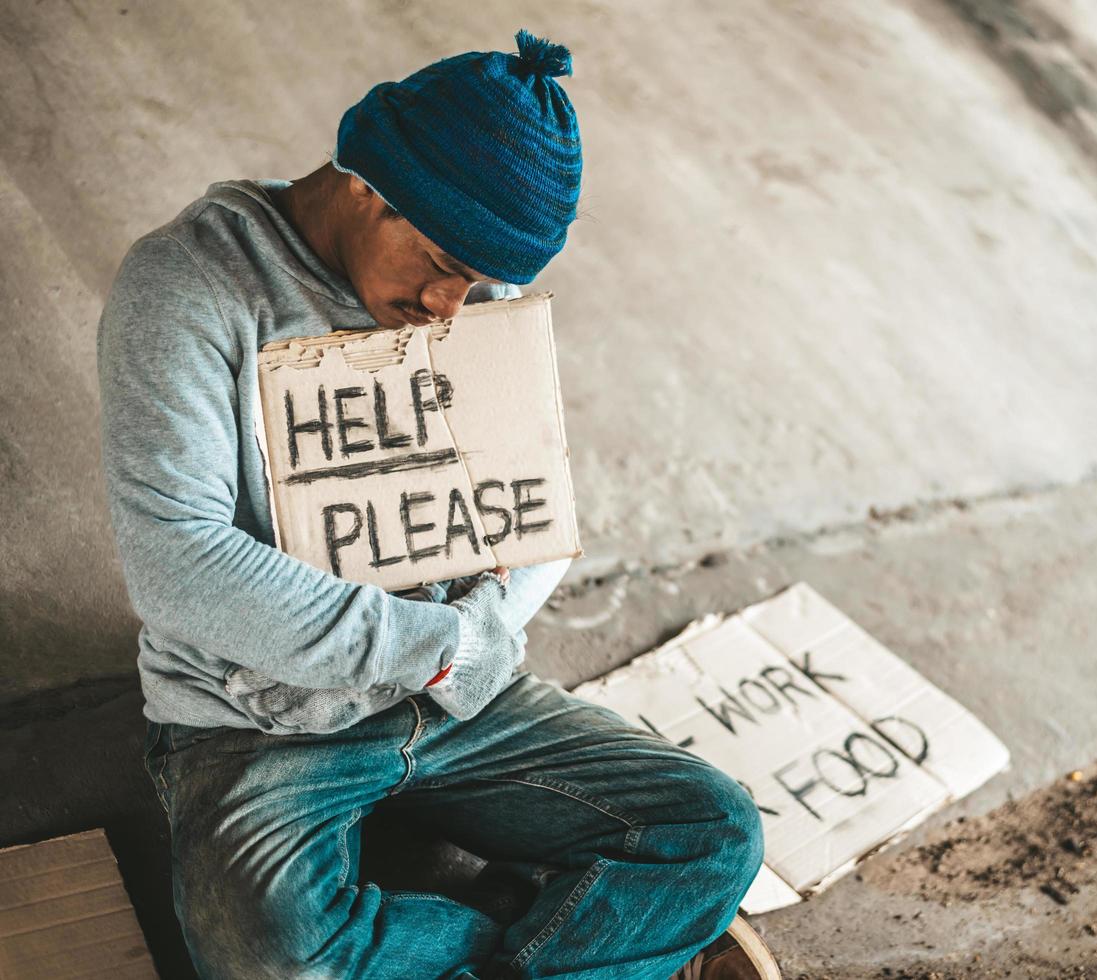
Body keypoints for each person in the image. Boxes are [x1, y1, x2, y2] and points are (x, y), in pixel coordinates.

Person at [97, 30, 779, 980]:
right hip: (258, 721)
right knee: (274, 961)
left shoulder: (476, 290)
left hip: (460, 700)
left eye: (481, 279)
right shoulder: (191, 289)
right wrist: (439, 647)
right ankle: (563, 941)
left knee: (714, 831)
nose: (449, 305)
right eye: (437, 259)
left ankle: (489, 952)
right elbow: (177, 563)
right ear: (366, 181)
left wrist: (480, 631)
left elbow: (533, 506)